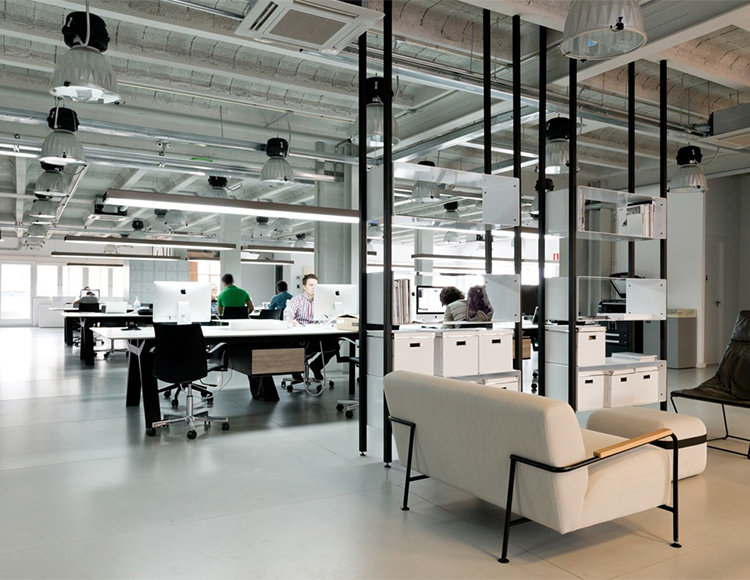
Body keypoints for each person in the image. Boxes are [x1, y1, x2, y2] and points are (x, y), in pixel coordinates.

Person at [288, 273, 339, 381]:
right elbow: (288, 315)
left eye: (316, 285)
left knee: (334, 346)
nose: (314, 288)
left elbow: (327, 317)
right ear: (304, 286)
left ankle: (316, 366)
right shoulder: (297, 300)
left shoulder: (321, 300)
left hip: (318, 332)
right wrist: (292, 321)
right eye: (311, 285)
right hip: (303, 334)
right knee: (310, 347)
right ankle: (295, 368)